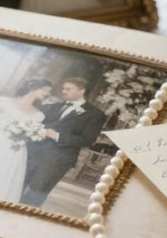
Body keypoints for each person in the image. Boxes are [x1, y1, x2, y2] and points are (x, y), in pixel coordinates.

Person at [21, 77, 108, 207]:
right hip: (32, 153)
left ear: (81, 91)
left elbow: (87, 140)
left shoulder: (95, 114)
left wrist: (57, 136)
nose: (64, 91)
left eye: (68, 89)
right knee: (16, 186)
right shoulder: (52, 107)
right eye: (63, 88)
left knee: (35, 195)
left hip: (58, 159)